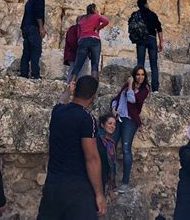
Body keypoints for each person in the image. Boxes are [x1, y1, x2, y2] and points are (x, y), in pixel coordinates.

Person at [37, 75, 107, 219]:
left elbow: (61, 101)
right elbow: (92, 158)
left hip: (53, 186)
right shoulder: (87, 119)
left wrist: (68, 90)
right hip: (77, 190)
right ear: (93, 97)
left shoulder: (58, 112)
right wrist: (99, 194)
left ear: (76, 91)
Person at [111, 65, 150, 193]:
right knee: (111, 148)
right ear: (134, 75)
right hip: (118, 119)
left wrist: (130, 85)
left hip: (130, 121)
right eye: (138, 74)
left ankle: (125, 183)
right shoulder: (127, 86)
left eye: (142, 75)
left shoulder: (144, 90)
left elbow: (132, 100)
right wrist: (114, 109)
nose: (140, 77)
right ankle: (110, 180)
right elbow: (116, 98)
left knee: (126, 149)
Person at [69, 3, 109, 85]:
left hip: (83, 40)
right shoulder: (97, 16)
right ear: (94, 10)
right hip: (95, 40)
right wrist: (98, 28)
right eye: (96, 9)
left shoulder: (81, 18)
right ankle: (93, 87)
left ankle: (71, 84)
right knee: (94, 64)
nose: (98, 10)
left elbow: (78, 33)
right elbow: (106, 21)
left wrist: (80, 40)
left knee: (77, 65)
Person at [133, 0, 163, 92]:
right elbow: (159, 29)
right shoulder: (153, 14)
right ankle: (155, 89)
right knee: (153, 65)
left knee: (140, 64)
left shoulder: (136, 15)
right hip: (152, 39)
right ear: (146, 4)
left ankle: (139, 87)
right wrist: (161, 42)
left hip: (141, 40)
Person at [20, 0, 48, 79]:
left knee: (26, 52)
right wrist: (41, 27)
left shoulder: (30, 1)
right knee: (36, 51)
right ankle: (35, 75)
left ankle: (23, 73)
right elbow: (38, 13)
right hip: (33, 28)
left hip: (26, 28)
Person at [63, 15, 89, 83]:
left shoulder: (82, 29)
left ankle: (77, 88)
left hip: (79, 54)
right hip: (75, 54)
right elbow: (72, 42)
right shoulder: (74, 29)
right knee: (76, 72)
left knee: (81, 73)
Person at [96, 113, 117, 196]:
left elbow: (112, 164)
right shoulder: (98, 140)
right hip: (98, 178)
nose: (113, 126)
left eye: (114, 124)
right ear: (102, 125)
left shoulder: (110, 142)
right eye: (110, 123)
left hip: (105, 179)